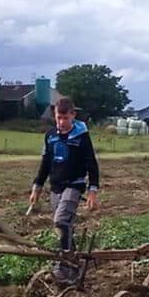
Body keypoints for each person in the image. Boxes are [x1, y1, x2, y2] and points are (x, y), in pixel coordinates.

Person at [29, 97, 100, 283]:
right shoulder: (50, 136)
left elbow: (91, 164)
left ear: (73, 115)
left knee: (60, 221)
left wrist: (93, 191)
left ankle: (64, 265)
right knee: (65, 226)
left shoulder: (82, 136)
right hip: (56, 186)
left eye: (65, 118)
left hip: (74, 185)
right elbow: (45, 164)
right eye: (58, 118)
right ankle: (74, 265)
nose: (61, 122)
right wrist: (37, 187)